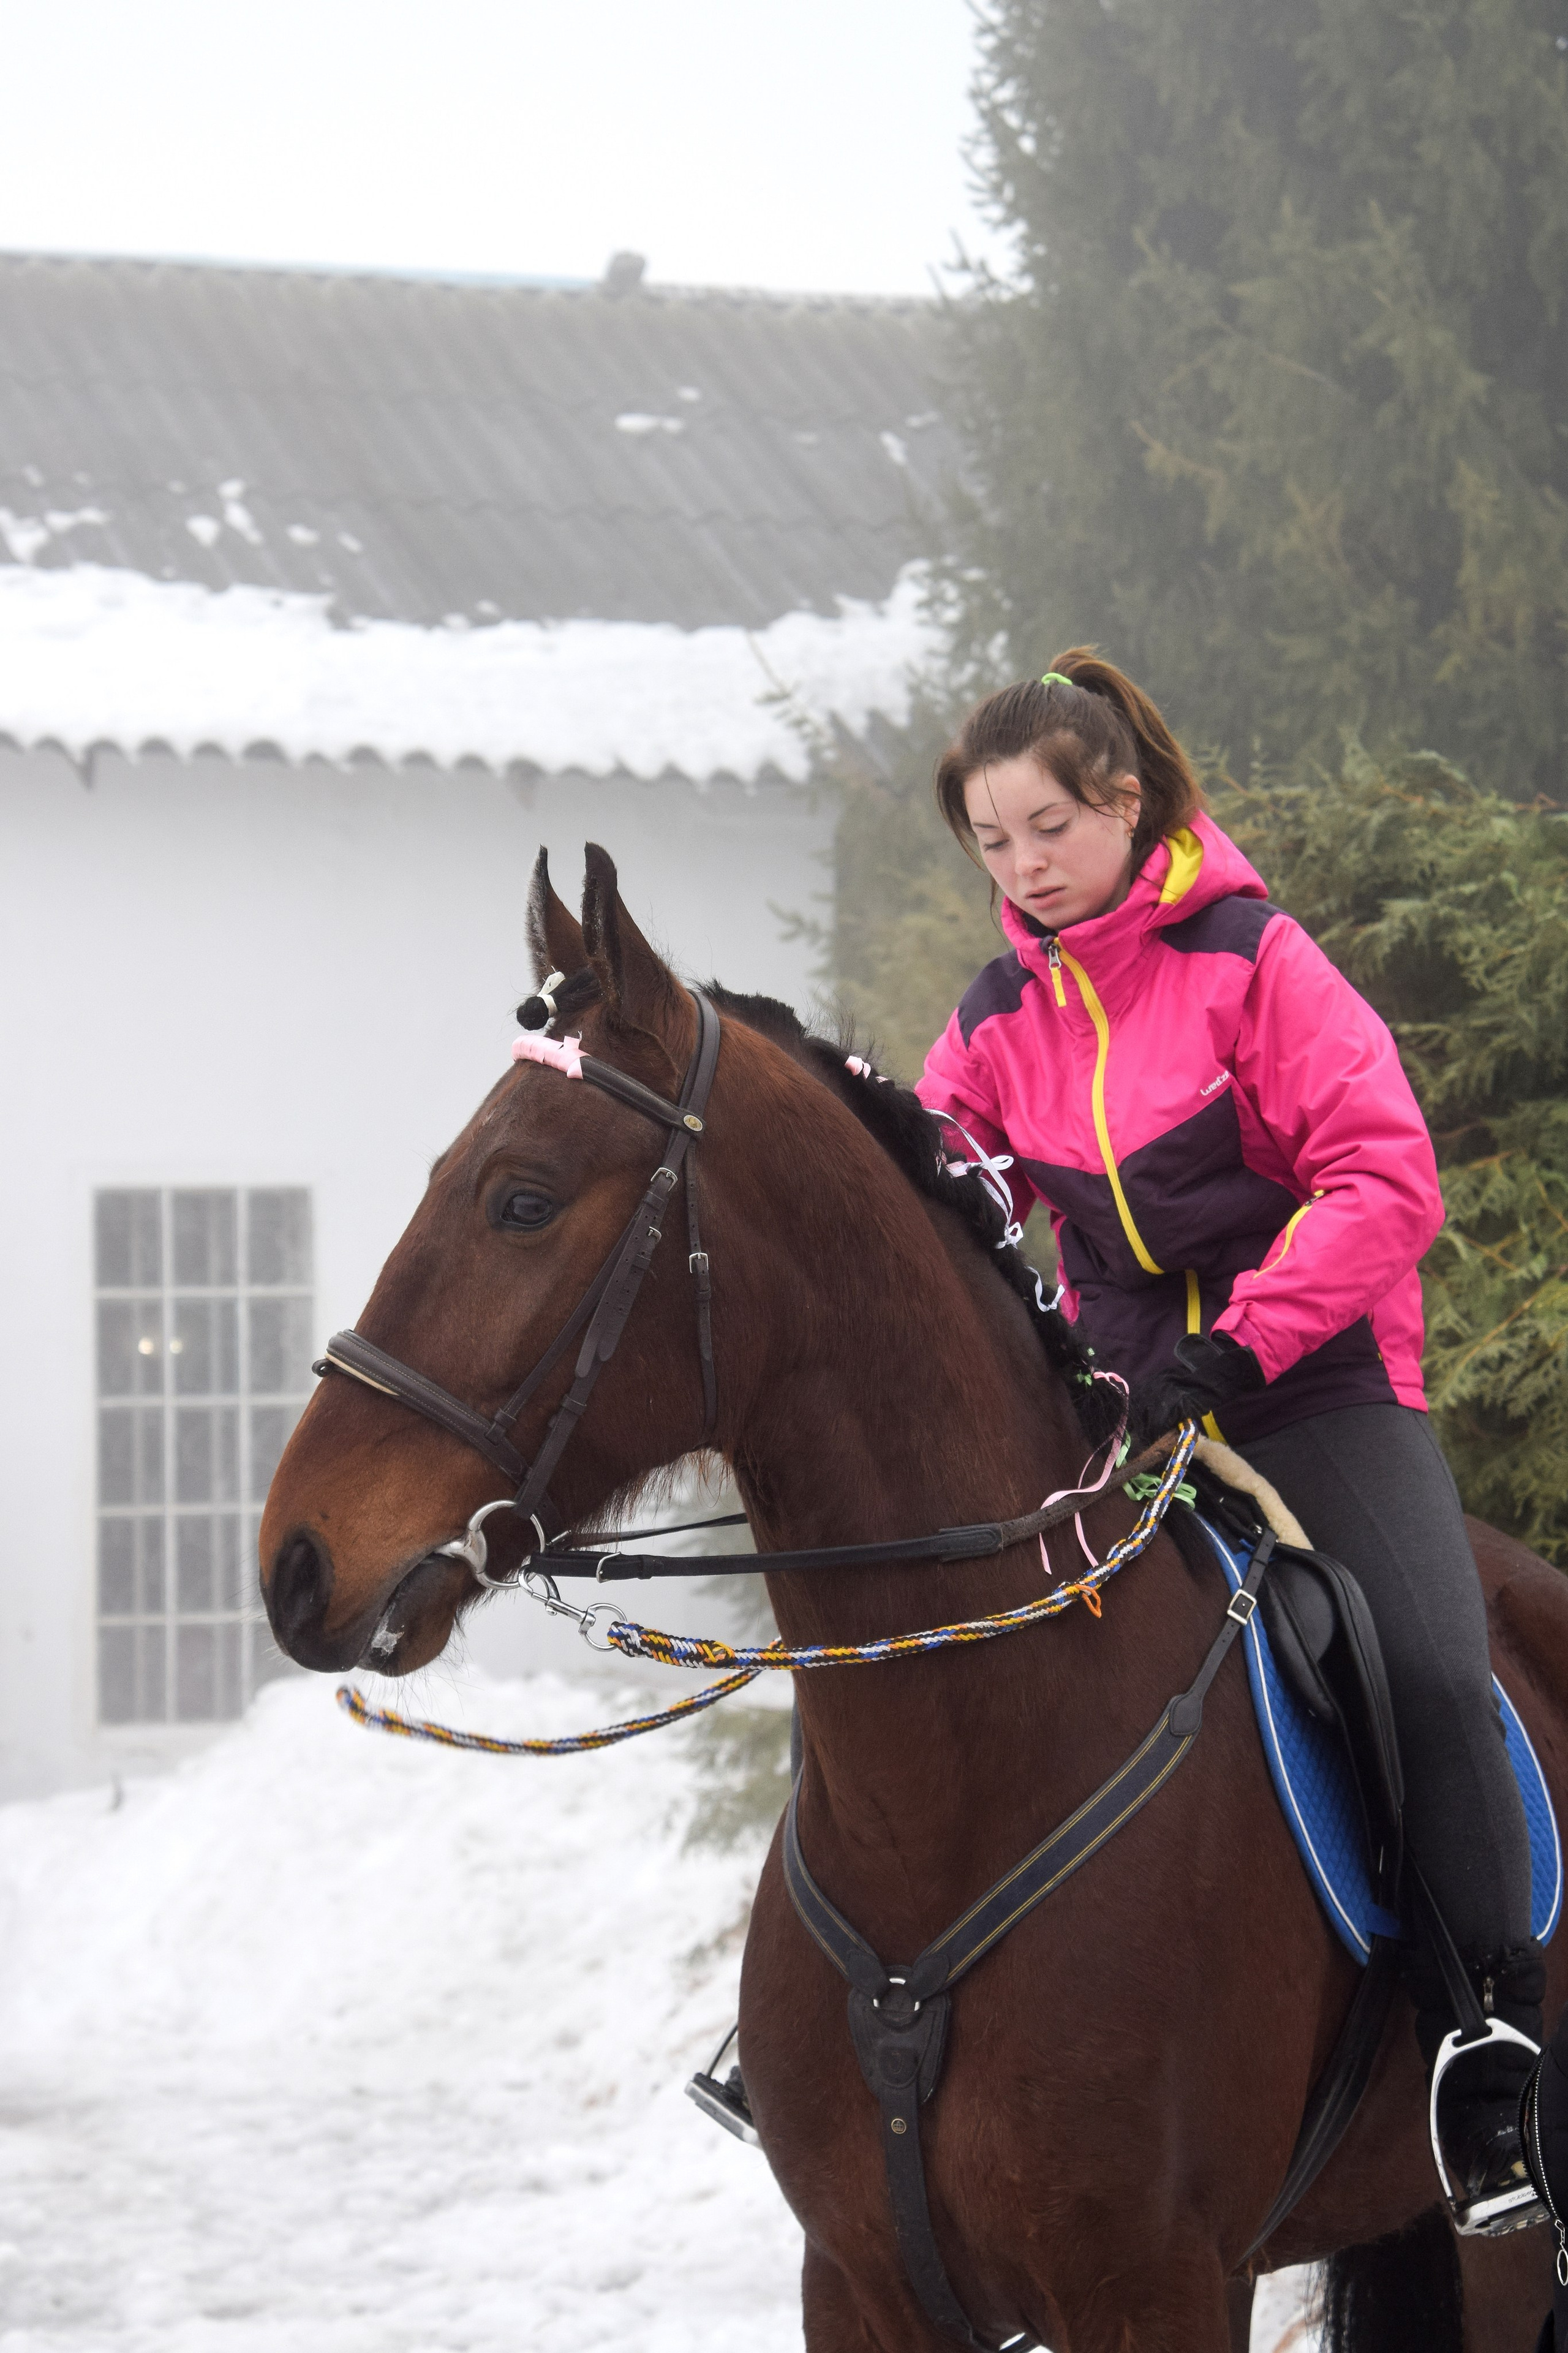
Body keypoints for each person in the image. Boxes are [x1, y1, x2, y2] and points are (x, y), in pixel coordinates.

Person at [914, 652, 1543, 2233]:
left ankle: (1488, 2042)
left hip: (1313, 1388)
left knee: (1423, 1664)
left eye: (1049, 825)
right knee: (944, 1643)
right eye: (992, 844)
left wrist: (1236, 1340)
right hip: (1124, 1405)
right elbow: (947, 1201)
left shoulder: (1255, 964)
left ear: (1129, 802)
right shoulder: (997, 1019)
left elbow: (1389, 1180)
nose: (1025, 866)